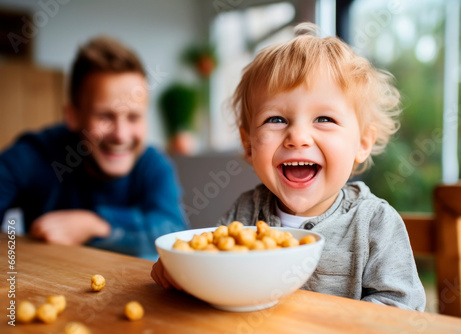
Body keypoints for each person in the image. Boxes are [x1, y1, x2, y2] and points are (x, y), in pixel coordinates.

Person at [151, 23, 426, 311]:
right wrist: (183, 273)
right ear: (248, 144)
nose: (297, 137)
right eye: (276, 119)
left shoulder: (374, 223)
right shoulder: (245, 213)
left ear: (362, 143)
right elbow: (213, 275)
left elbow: (402, 310)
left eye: (324, 119)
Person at [0, 36, 188, 259]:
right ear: (73, 116)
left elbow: (174, 233)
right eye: (105, 116)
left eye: (134, 117)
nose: (121, 135)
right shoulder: (33, 155)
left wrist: (97, 224)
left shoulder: (154, 165)